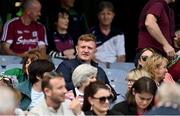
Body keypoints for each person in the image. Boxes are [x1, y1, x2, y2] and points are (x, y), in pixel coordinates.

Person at [56, 34, 117, 101]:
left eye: (90, 48)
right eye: (83, 47)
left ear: (95, 51)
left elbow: (113, 93)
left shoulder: (100, 71)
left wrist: (109, 93)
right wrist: (86, 84)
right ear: (77, 49)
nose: (86, 50)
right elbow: (59, 87)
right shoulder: (66, 66)